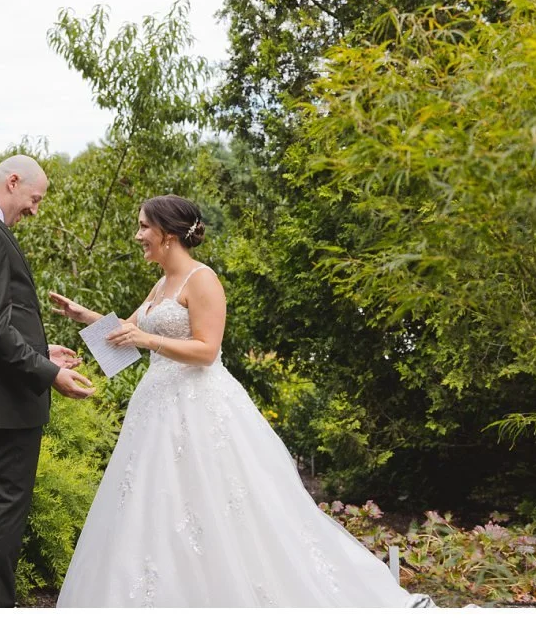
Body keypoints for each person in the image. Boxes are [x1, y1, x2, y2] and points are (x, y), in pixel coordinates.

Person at [48, 194, 436, 608]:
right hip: (156, 407)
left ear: (169, 233)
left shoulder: (203, 279)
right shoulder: (161, 283)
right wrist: (85, 317)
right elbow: (131, 333)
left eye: (144, 226)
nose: (138, 234)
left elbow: (207, 350)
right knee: (155, 507)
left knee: (222, 505)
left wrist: (146, 339)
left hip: (198, 406)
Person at [0, 154, 96, 608]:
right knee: (3, 511)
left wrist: (41, 352)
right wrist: (50, 375)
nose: (34, 209)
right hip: (5, 399)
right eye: (34, 198)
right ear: (12, 182)